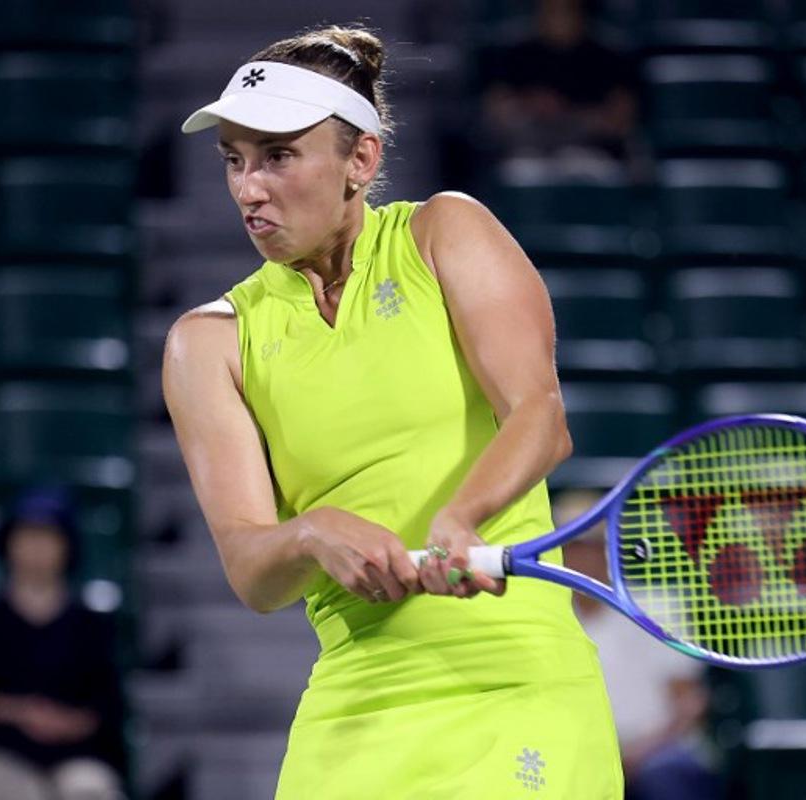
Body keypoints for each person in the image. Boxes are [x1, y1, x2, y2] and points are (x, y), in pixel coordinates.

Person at [163, 25, 622, 797]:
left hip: (515, 685)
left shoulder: (444, 233)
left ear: (361, 160)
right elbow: (252, 571)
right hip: (356, 705)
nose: (249, 187)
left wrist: (461, 518)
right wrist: (311, 532)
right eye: (234, 160)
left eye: (278, 156)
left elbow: (539, 416)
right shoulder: (209, 343)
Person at [0, 487, 127, 800]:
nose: (38, 547)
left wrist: (69, 722)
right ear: (8, 544)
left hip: (79, 758)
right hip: (1, 755)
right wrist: (17, 711)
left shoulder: (93, 627)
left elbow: (109, 705)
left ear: (67, 546)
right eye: (27, 535)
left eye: (49, 536)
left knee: (91, 791)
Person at [556, 490, 723, 800]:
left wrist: (636, 753)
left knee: (667, 782)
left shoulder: (656, 609)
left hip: (659, 753)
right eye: (574, 547)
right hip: (577, 756)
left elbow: (690, 704)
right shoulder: (548, 616)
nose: (584, 558)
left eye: (594, 547)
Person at [478, 0, 639, 183]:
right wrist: (530, 107)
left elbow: (620, 121)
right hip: (530, 151)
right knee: (519, 174)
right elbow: (496, 112)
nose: (557, 17)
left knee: (594, 173)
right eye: (550, 10)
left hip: (593, 153)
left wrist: (570, 116)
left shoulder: (610, 55)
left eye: (565, 10)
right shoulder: (515, 55)